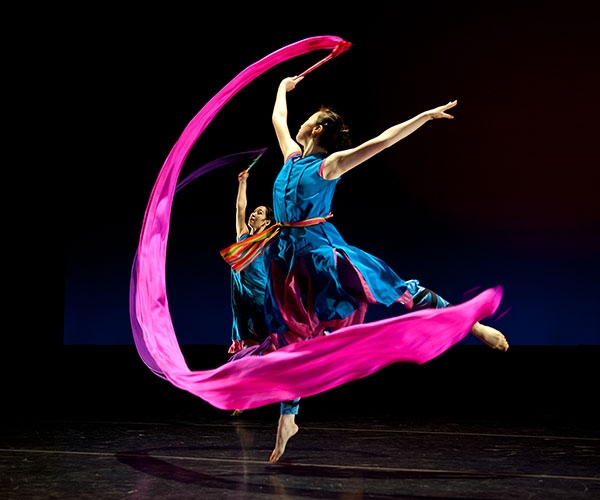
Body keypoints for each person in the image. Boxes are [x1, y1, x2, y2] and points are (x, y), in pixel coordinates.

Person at [255, 75, 509, 462]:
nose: (300, 119)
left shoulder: (330, 165)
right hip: (288, 261)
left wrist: (423, 116)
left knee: (399, 290)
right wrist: (282, 86)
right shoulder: (290, 156)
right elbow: (278, 117)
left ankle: (473, 326)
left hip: (321, 256)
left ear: (318, 127)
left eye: (311, 116)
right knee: (292, 340)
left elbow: (382, 141)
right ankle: (288, 418)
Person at [228, 168, 274, 356]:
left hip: (260, 298)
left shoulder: (268, 241)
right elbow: (240, 209)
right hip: (242, 299)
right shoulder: (243, 238)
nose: (254, 214)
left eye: (260, 213)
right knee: (249, 343)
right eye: (254, 211)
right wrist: (243, 182)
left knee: (267, 340)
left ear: (266, 223)